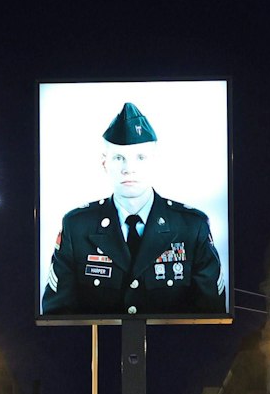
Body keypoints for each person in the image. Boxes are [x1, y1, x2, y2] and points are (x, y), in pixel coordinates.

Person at [41, 102, 225, 317]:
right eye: (119, 158)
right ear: (104, 164)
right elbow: (57, 315)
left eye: (140, 157)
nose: (129, 168)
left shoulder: (192, 226)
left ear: (155, 162)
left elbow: (211, 315)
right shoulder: (77, 226)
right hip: (98, 348)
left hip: (174, 348)